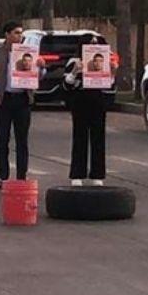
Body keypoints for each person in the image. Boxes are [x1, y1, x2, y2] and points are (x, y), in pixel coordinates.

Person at [0, 21, 32, 187]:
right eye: (17, 33)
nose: (20, 36)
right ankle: (3, 177)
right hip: (5, 99)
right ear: (7, 34)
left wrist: (41, 68)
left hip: (22, 98)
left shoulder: (28, 54)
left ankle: (21, 177)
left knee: (22, 140)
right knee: (3, 139)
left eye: (21, 33)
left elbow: (36, 77)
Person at [63, 38, 107, 186]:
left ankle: (97, 174)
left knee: (98, 138)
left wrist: (112, 72)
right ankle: (77, 173)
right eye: (90, 44)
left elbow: (109, 84)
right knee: (80, 137)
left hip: (98, 101)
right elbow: (66, 85)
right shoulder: (74, 61)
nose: (94, 46)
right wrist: (75, 71)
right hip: (80, 101)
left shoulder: (102, 61)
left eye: (96, 44)